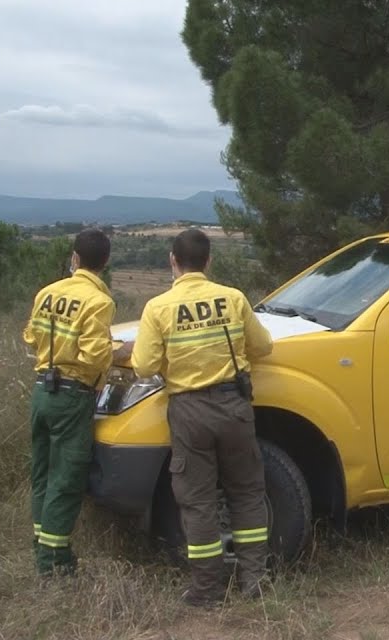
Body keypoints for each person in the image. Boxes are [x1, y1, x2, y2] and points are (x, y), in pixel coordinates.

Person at [132, 227, 273, 607]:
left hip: (189, 411)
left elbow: (144, 366)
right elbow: (263, 347)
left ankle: (208, 590)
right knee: (246, 493)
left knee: (198, 502)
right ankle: (254, 580)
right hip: (234, 406)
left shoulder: (158, 308)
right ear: (209, 261)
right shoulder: (233, 299)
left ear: (173, 262)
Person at [22, 228, 129, 576]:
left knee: (42, 474)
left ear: (75, 258)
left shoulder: (47, 293)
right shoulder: (99, 302)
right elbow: (94, 358)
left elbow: (30, 336)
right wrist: (119, 351)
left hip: (41, 391)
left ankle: (41, 545)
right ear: (106, 262)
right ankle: (54, 563)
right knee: (66, 480)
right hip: (73, 396)